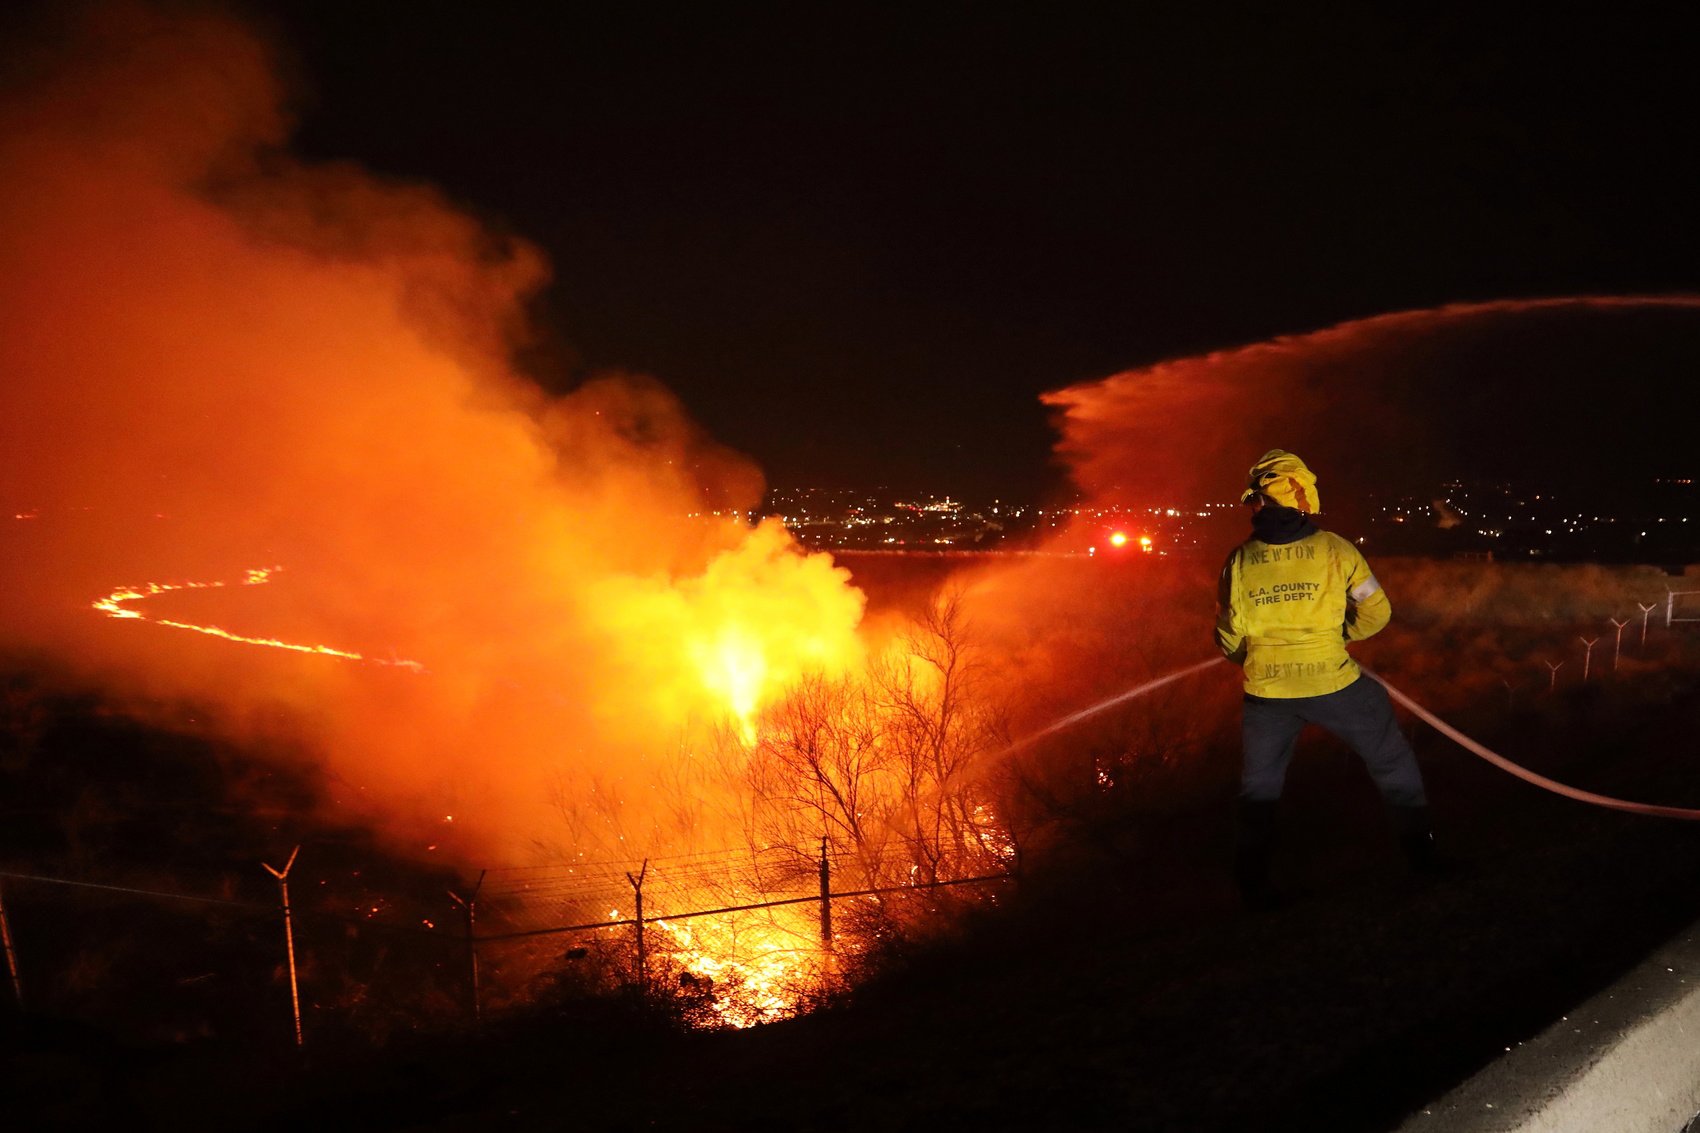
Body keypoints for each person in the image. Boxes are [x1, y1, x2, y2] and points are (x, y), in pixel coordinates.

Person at [1214, 449, 1438, 906]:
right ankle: (1424, 861)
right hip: (1336, 684)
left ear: (1257, 502)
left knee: (1259, 791)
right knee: (1393, 761)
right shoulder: (1337, 550)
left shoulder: (1237, 562)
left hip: (1265, 694)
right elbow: (1378, 611)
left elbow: (1228, 639)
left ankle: (1252, 889)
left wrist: (1265, 660)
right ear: (1304, 498)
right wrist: (1337, 637)